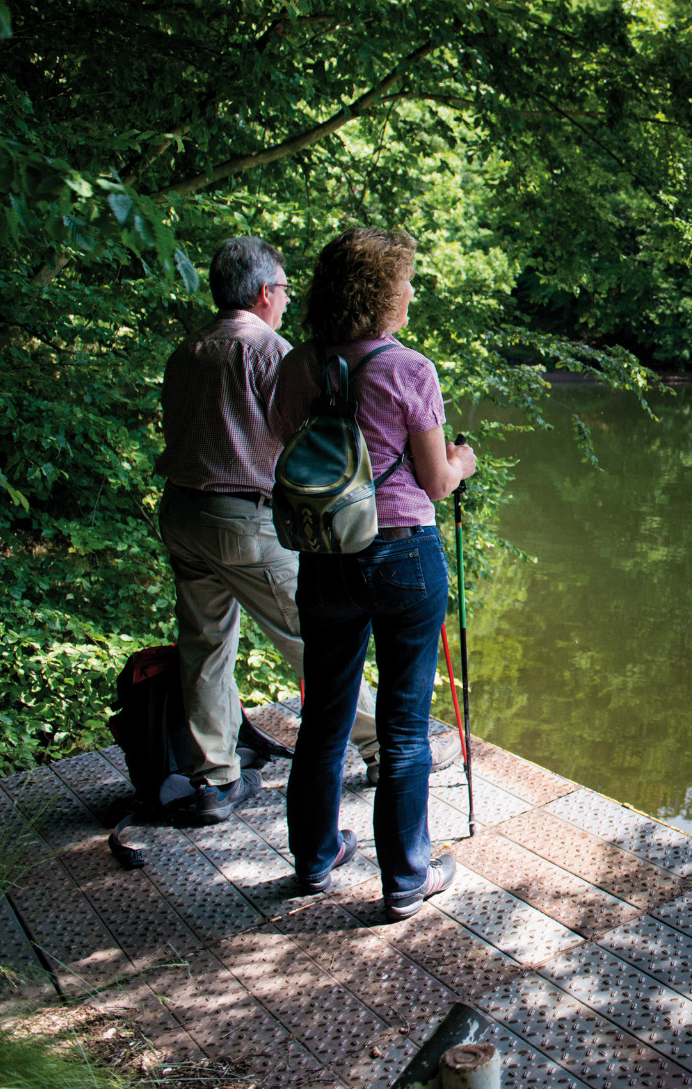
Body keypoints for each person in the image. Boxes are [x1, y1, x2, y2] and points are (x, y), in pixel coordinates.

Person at [270, 226, 476, 916]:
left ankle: (313, 859)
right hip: (401, 556)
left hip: (325, 554)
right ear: (381, 294)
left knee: (324, 716)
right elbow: (437, 481)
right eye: (405, 282)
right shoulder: (407, 368)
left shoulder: (300, 364)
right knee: (403, 728)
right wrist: (464, 461)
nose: (411, 292)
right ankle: (406, 879)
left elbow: (286, 441)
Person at [158, 236, 382, 824]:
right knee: (316, 637)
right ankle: (383, 748)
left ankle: (214, 780)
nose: (286, 301)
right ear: (263, 293)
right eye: (283, 289)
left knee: (204, 647)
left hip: (181, 513)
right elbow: (307, 441)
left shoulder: (188, 349)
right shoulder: (266, 349)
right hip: (241, 518)